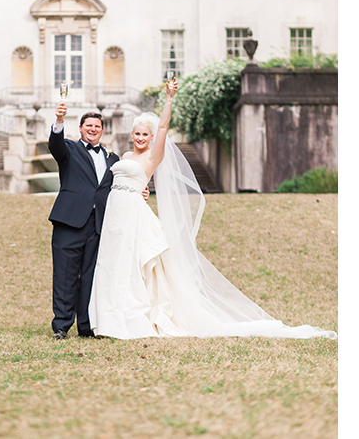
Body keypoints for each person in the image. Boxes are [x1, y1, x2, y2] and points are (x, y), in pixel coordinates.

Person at [88, 79, 338, 340]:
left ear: (151, 138)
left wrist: (170, 98)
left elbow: (163, 126)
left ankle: (131, 320)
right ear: (132, 135)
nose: (140, 138)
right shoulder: (124, 158)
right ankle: (108, 320)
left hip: (134, 216)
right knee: (114, 263)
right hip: (115, 216)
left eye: (145, 134)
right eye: (137, 134)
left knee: (134, 263)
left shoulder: (153, 156)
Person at [46, 103, 145, 339]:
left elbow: (119, 187)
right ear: (80, 128)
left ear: (102, 131)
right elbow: (55, 144)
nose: (92, 129)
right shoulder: (68, 149)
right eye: (88, 125)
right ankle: (61, 325)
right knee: (65, 274)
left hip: (101, 224)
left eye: (97, 126)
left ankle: (87, 325)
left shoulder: (113, 158)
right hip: (69, 221)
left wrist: (140, 192)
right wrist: (59, 119)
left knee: (92, 276)